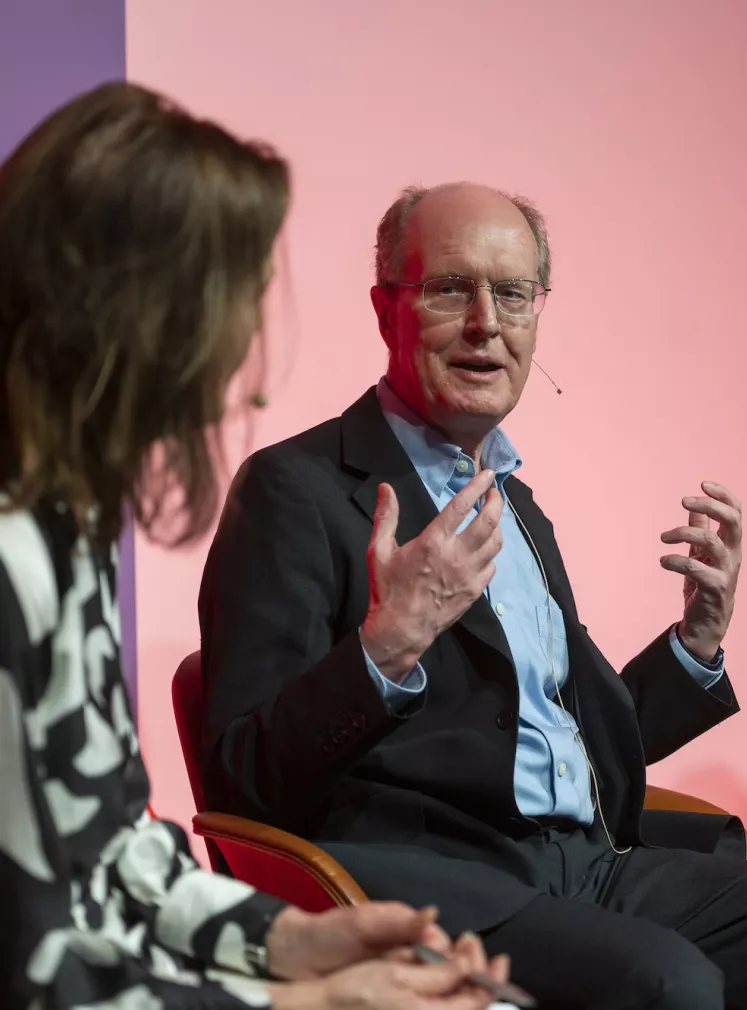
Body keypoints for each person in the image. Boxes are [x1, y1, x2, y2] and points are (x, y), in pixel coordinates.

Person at [199, 180, 747, 1010]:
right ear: (385, 311)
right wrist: (385, 648)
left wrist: (694, 646)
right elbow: (238, 773)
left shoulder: (515, 504)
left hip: (585, 865)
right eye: (449, 289)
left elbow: (571, 741)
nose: (486, 322)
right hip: (434, 884)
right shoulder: (296, 490)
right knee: (670, 985)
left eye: (511, 293)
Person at [0, 84, 510, 1010]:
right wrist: (310, 1003)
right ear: (123, 306)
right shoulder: (9, 563)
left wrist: (294, 936)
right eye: (230, 293)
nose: (245, 341)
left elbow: (115, 853)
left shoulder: (60, 538)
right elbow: (38, 967)